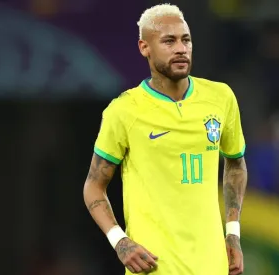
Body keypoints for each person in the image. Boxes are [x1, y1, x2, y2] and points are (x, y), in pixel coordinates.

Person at [83, 3, 248, 275]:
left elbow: (235, 163)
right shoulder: (124, 110)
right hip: (154, 268)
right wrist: (119, 241)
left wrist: (233, 233)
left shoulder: (221, 98)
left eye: (186, 40)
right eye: (168, 41)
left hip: (212, 265)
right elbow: (93, 186)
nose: (181, 48)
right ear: (144, 47)